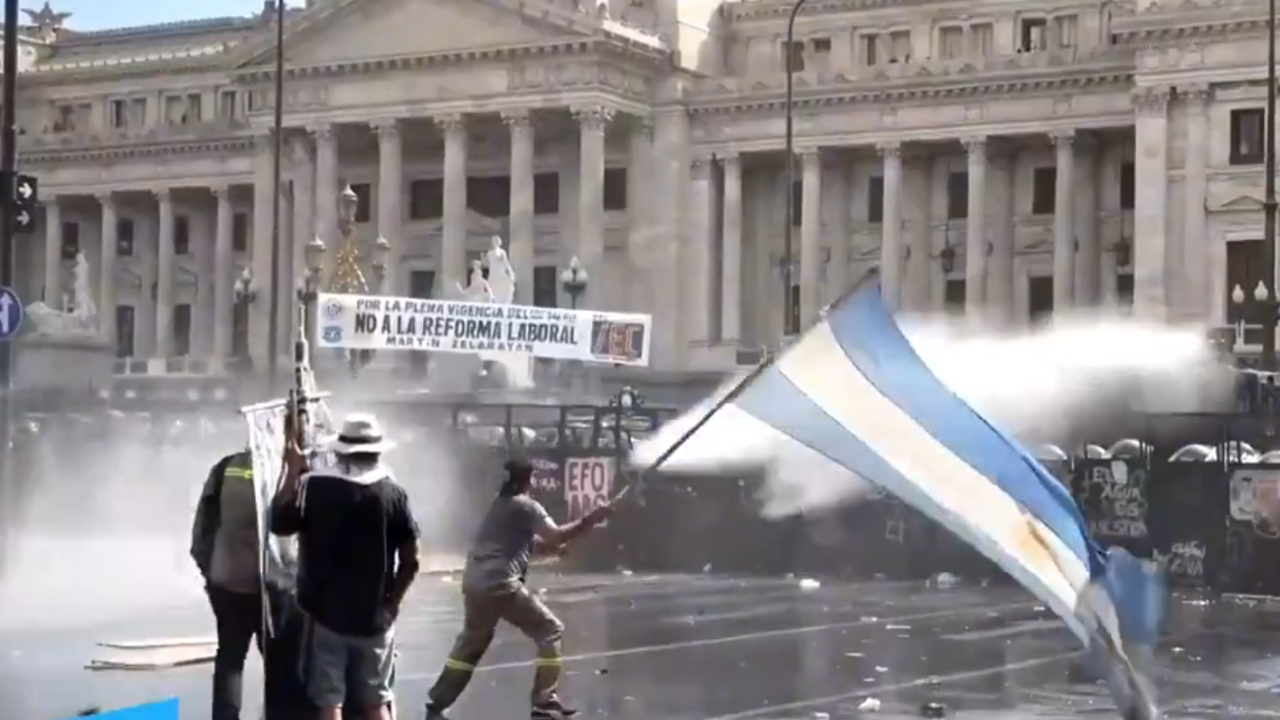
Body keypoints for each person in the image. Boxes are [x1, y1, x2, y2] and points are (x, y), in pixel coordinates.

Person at [423, 458, 614, 720]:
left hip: (474, 582)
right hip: (500, 583)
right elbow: (556, 535)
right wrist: (592, 518)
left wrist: (553, 548)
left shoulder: (500, 505)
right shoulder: (526, 506)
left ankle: (437, 703)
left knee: (471, 644)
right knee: (550, 630)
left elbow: (526, 543)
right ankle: (544, 701)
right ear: (528, 479)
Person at [269, 413, 421, 720]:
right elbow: (412, 559)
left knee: (330, 702)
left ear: (341, 452)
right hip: (375, 617)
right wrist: (392, 603)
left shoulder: (316, 488)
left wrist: (293, 471)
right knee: (376, 702)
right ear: (376, 453)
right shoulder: (394, 494)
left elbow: (278, 523)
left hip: (327, 616)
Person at [190, 447, 297, 720]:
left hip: (228, 581)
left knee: (230, 660)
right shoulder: (288, 473)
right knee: (279, 664)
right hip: (274, 587)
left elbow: (202, 527)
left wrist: (211, 572)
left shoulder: (225, 468)